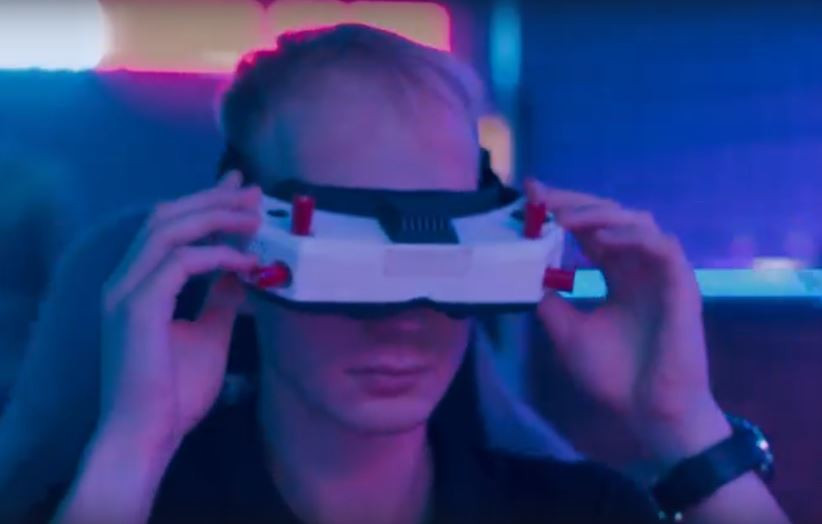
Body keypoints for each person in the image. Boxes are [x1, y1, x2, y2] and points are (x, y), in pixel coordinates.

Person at [1, 25, 788, 524]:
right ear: (240, 255)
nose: (401, 319)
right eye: (347, 263)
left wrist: (683, 423)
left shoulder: (578, 511)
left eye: (446, 256)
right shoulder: (125, 503)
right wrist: (132, 447)